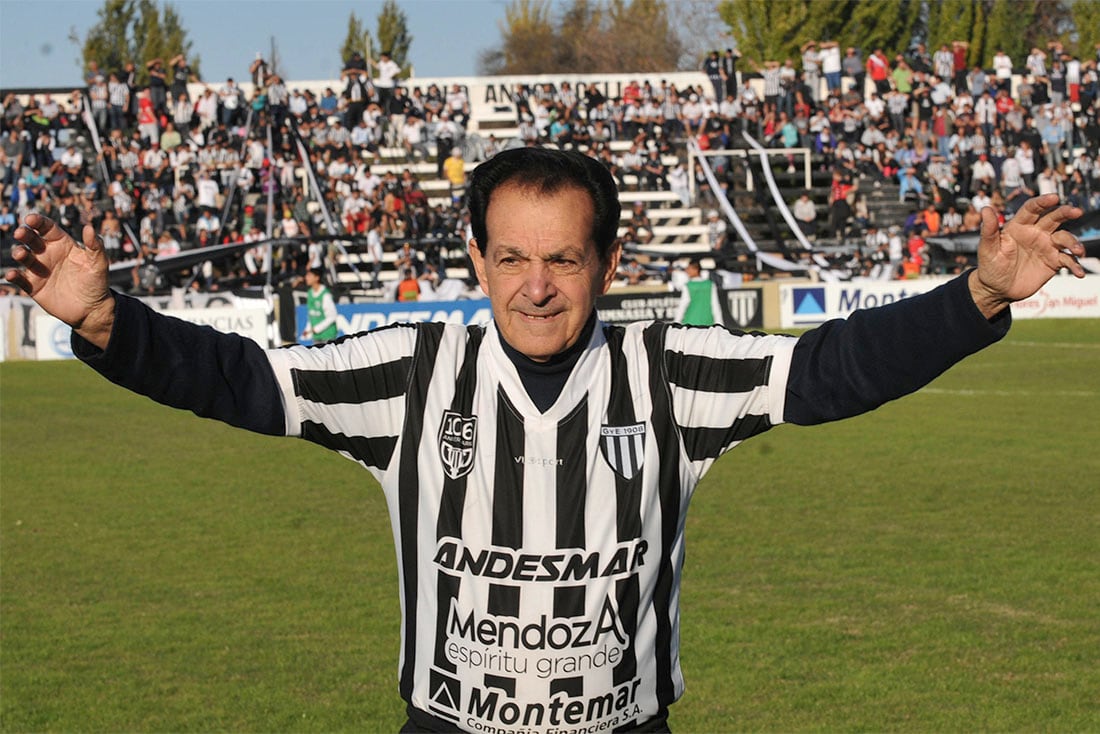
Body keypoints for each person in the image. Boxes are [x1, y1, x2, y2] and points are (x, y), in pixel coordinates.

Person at [5, 147, 1086, 733]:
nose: (535, 285)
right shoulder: (406, 372)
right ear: (475, 261)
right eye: (512, 258)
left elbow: (832, 367)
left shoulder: (668, 370)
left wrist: (975, 295)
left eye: (562, 259)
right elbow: (234, 376)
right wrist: (108, 322)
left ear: (604, 263)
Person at [674, 259, 722, 326]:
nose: (687, 271)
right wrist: (720, 324)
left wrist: (676, 323)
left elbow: (683, 306)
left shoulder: (688, 286)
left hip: (690, 324)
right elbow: (715, 306)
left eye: (689, 269)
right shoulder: (710, 285)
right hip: (707, 324)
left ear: (696, 269)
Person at [299, 266, 339, 343]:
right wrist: (307, 330)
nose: (306, 278)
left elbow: (332, 316)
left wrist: (317, 329)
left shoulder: (325, 295)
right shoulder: (310, 293)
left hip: (328, 336)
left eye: (309, 275)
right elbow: (311, 314)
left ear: (317, 278)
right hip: (316, 337)